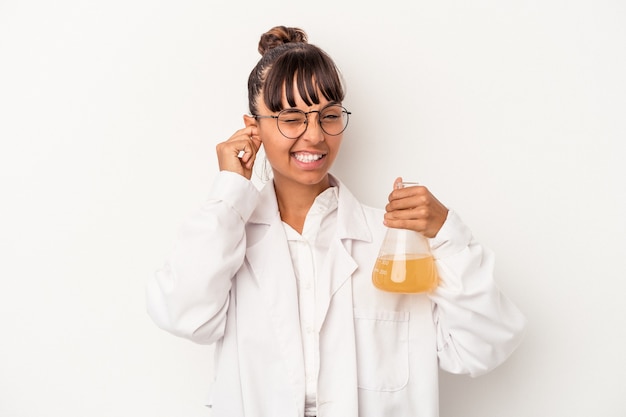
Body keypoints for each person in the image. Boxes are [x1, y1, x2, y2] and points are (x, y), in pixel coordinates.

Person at [146, 25, 526, 417]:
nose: (315, 136)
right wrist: (228, 192)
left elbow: (486, 345)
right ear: (253, 127)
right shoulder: (227, 241)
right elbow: (183, 315)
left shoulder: (394, 243)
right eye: (291, 119)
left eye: (328, 116)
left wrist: (447, 235)